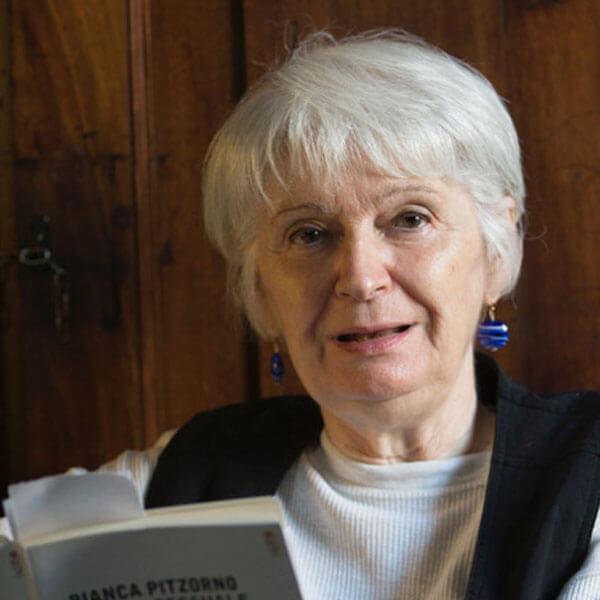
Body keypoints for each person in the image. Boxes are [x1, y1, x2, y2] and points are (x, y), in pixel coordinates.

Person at [6, 30, 600, 599]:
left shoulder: (588, 480)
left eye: (410, 219)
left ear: (496, 251)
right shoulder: (175, 478)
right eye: (309, 234)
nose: (361, 278)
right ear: (260, 292)